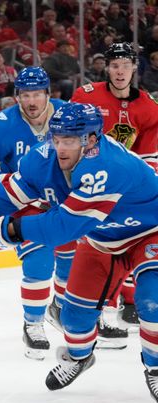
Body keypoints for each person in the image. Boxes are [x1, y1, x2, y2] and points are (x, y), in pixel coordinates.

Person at [0, 102, 158, 403]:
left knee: (152, 299)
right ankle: (79, 357)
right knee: (73, 318)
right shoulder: (43, 157)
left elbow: (62, 228)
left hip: (150, 231)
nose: (60, 148)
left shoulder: (109, 167)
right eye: (57, 139)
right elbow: (7, 192)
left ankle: (155, 367)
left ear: (91, 140)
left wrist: (10, 230)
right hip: (101, 239)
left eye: (69, 140)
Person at [0, 66, 69, 360]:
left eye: (37, 94)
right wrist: (5, 184)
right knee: (39, 259)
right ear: (17, 96)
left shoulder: (67, 114)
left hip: (65, 201)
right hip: (25, 203)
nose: (31, 101)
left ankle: (59, 307)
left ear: (48, 94)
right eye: (25, 95)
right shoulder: (2, 124)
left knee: (72, 260)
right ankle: (33, 324)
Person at [71, 42, 158, 327]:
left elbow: (148, 159)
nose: (120, 71)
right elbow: (69, 141)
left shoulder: (149, 107)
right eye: (115, 66)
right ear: (107, 69)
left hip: (128, 187)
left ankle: (126, 302)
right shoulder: (86, 96)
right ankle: (83, 306)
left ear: (135, 68)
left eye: (126, 65)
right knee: (90, 248)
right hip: (91, 183)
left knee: (131, 240)